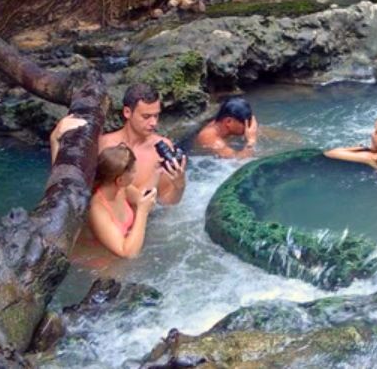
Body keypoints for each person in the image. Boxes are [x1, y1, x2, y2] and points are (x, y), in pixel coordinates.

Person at [51, 84, 187, 205]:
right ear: (127, 112)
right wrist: (55, 141)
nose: (153, 123)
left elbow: (167, 201)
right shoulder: (104, 145)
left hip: (147, 221)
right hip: (109, 221)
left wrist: (179, 186)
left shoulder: (162, 148)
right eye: (146, 117)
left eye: (156, 116)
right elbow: (72, 185)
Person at [85, 144, 156, 259]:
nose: (135, 173)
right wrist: (142, 212)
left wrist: (158, 172)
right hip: (102, 267)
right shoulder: (97, 209)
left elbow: (145, 201)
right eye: (133, 171)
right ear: (120, 180)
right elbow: (128, 253)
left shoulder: (121, 189)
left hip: (120, 259)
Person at [193, 97, 259, 159]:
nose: (248, 128)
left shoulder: (223, 125)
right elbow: (239, 160)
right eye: (245, 124)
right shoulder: (210, 138)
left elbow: (256, 131)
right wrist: (251, 141)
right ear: (228, 121)